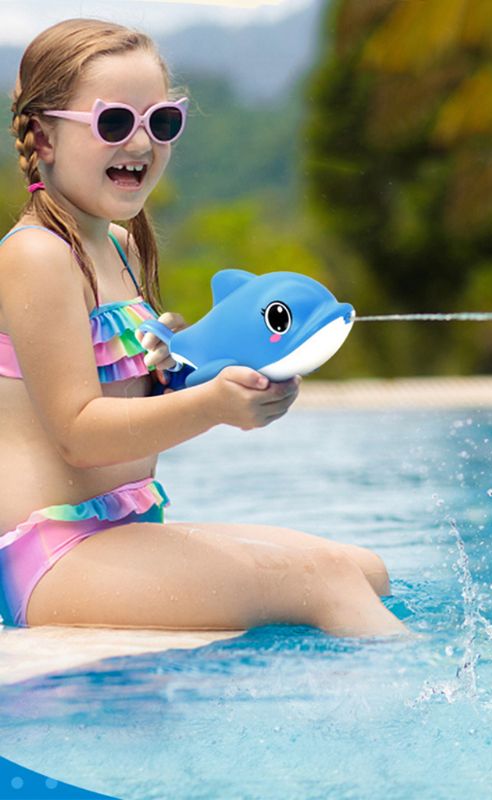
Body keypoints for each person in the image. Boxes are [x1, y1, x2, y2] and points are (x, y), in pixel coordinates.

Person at [0, 18, 407, 637]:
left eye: (160, 122)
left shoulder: (114, 246)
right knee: (325, 582)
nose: (140, 143)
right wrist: (215, 407)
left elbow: (135, 395)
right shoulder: (38, 256)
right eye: (113, 123)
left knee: (362, 568)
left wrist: (221, 380)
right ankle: (421, 708)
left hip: (116, 533)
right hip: (51, 555)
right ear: (43, 136)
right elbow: (78, 436)